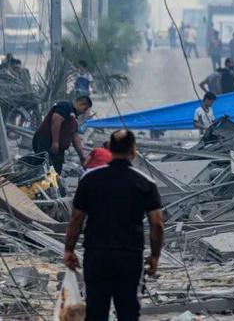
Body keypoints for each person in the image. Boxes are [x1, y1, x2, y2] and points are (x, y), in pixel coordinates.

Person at [64, 129, 164, 321]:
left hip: (96, 255)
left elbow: (76, 218)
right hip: (129, 256)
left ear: (109, 148)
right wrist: (155, 255)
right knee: (128, 312)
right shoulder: (145, 183)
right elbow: (157, 223)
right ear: (133, 150)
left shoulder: (90, 179)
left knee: (95, 311)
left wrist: (69, 250)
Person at [31, 96, 92, 175]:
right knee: (42, 168)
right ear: (81, 104)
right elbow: (56, 119)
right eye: (85, 109)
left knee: (55, 171)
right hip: (47, 143)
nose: (84, 112)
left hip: (59, 149)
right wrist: (55, 142)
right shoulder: (65, 106)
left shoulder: (74, 118)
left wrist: (82, 156)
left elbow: (75, 136)